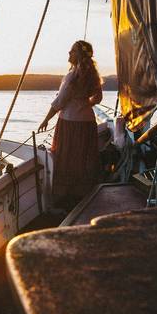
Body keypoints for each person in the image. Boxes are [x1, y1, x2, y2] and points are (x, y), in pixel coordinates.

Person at [37, 40, 103, 209]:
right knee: (83, 159)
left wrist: (46, 119)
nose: (69, 53)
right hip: (87, 122)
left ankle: (66, 199)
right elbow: (98, 98)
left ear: (79, 55)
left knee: (67, 159)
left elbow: (60, 101)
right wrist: (85, 103)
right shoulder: (93, 75)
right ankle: (84, 195)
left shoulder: (73, 76)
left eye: (72, 51)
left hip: (70, 123)